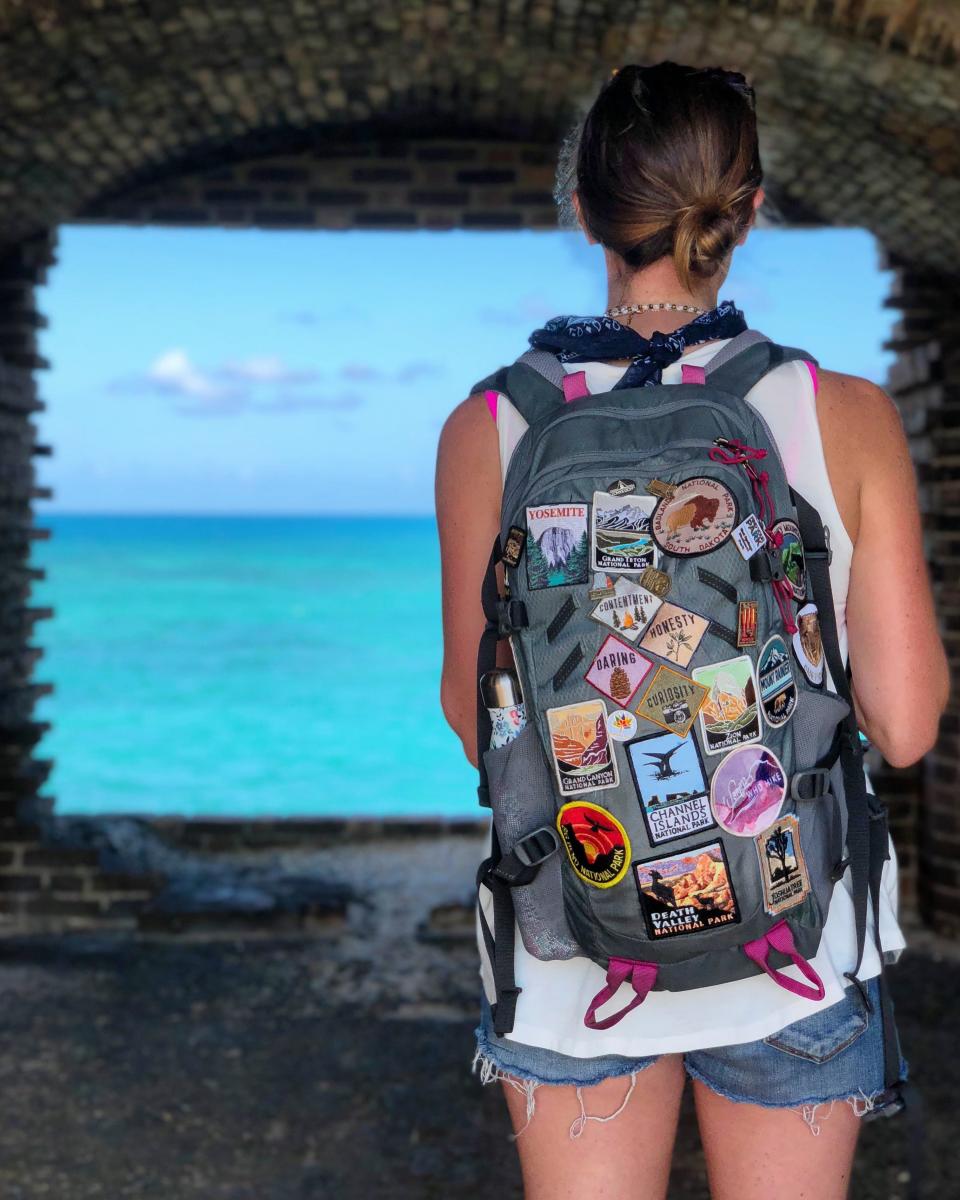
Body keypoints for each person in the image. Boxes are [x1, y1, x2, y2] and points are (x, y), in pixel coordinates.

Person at [434, 61, 949, 1200]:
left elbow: (476, 721)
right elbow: (906, 726)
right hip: (794, 947)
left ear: (583, 210)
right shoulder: (842, 416)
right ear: (750, 211)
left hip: (572, 945)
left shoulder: (493, 425)